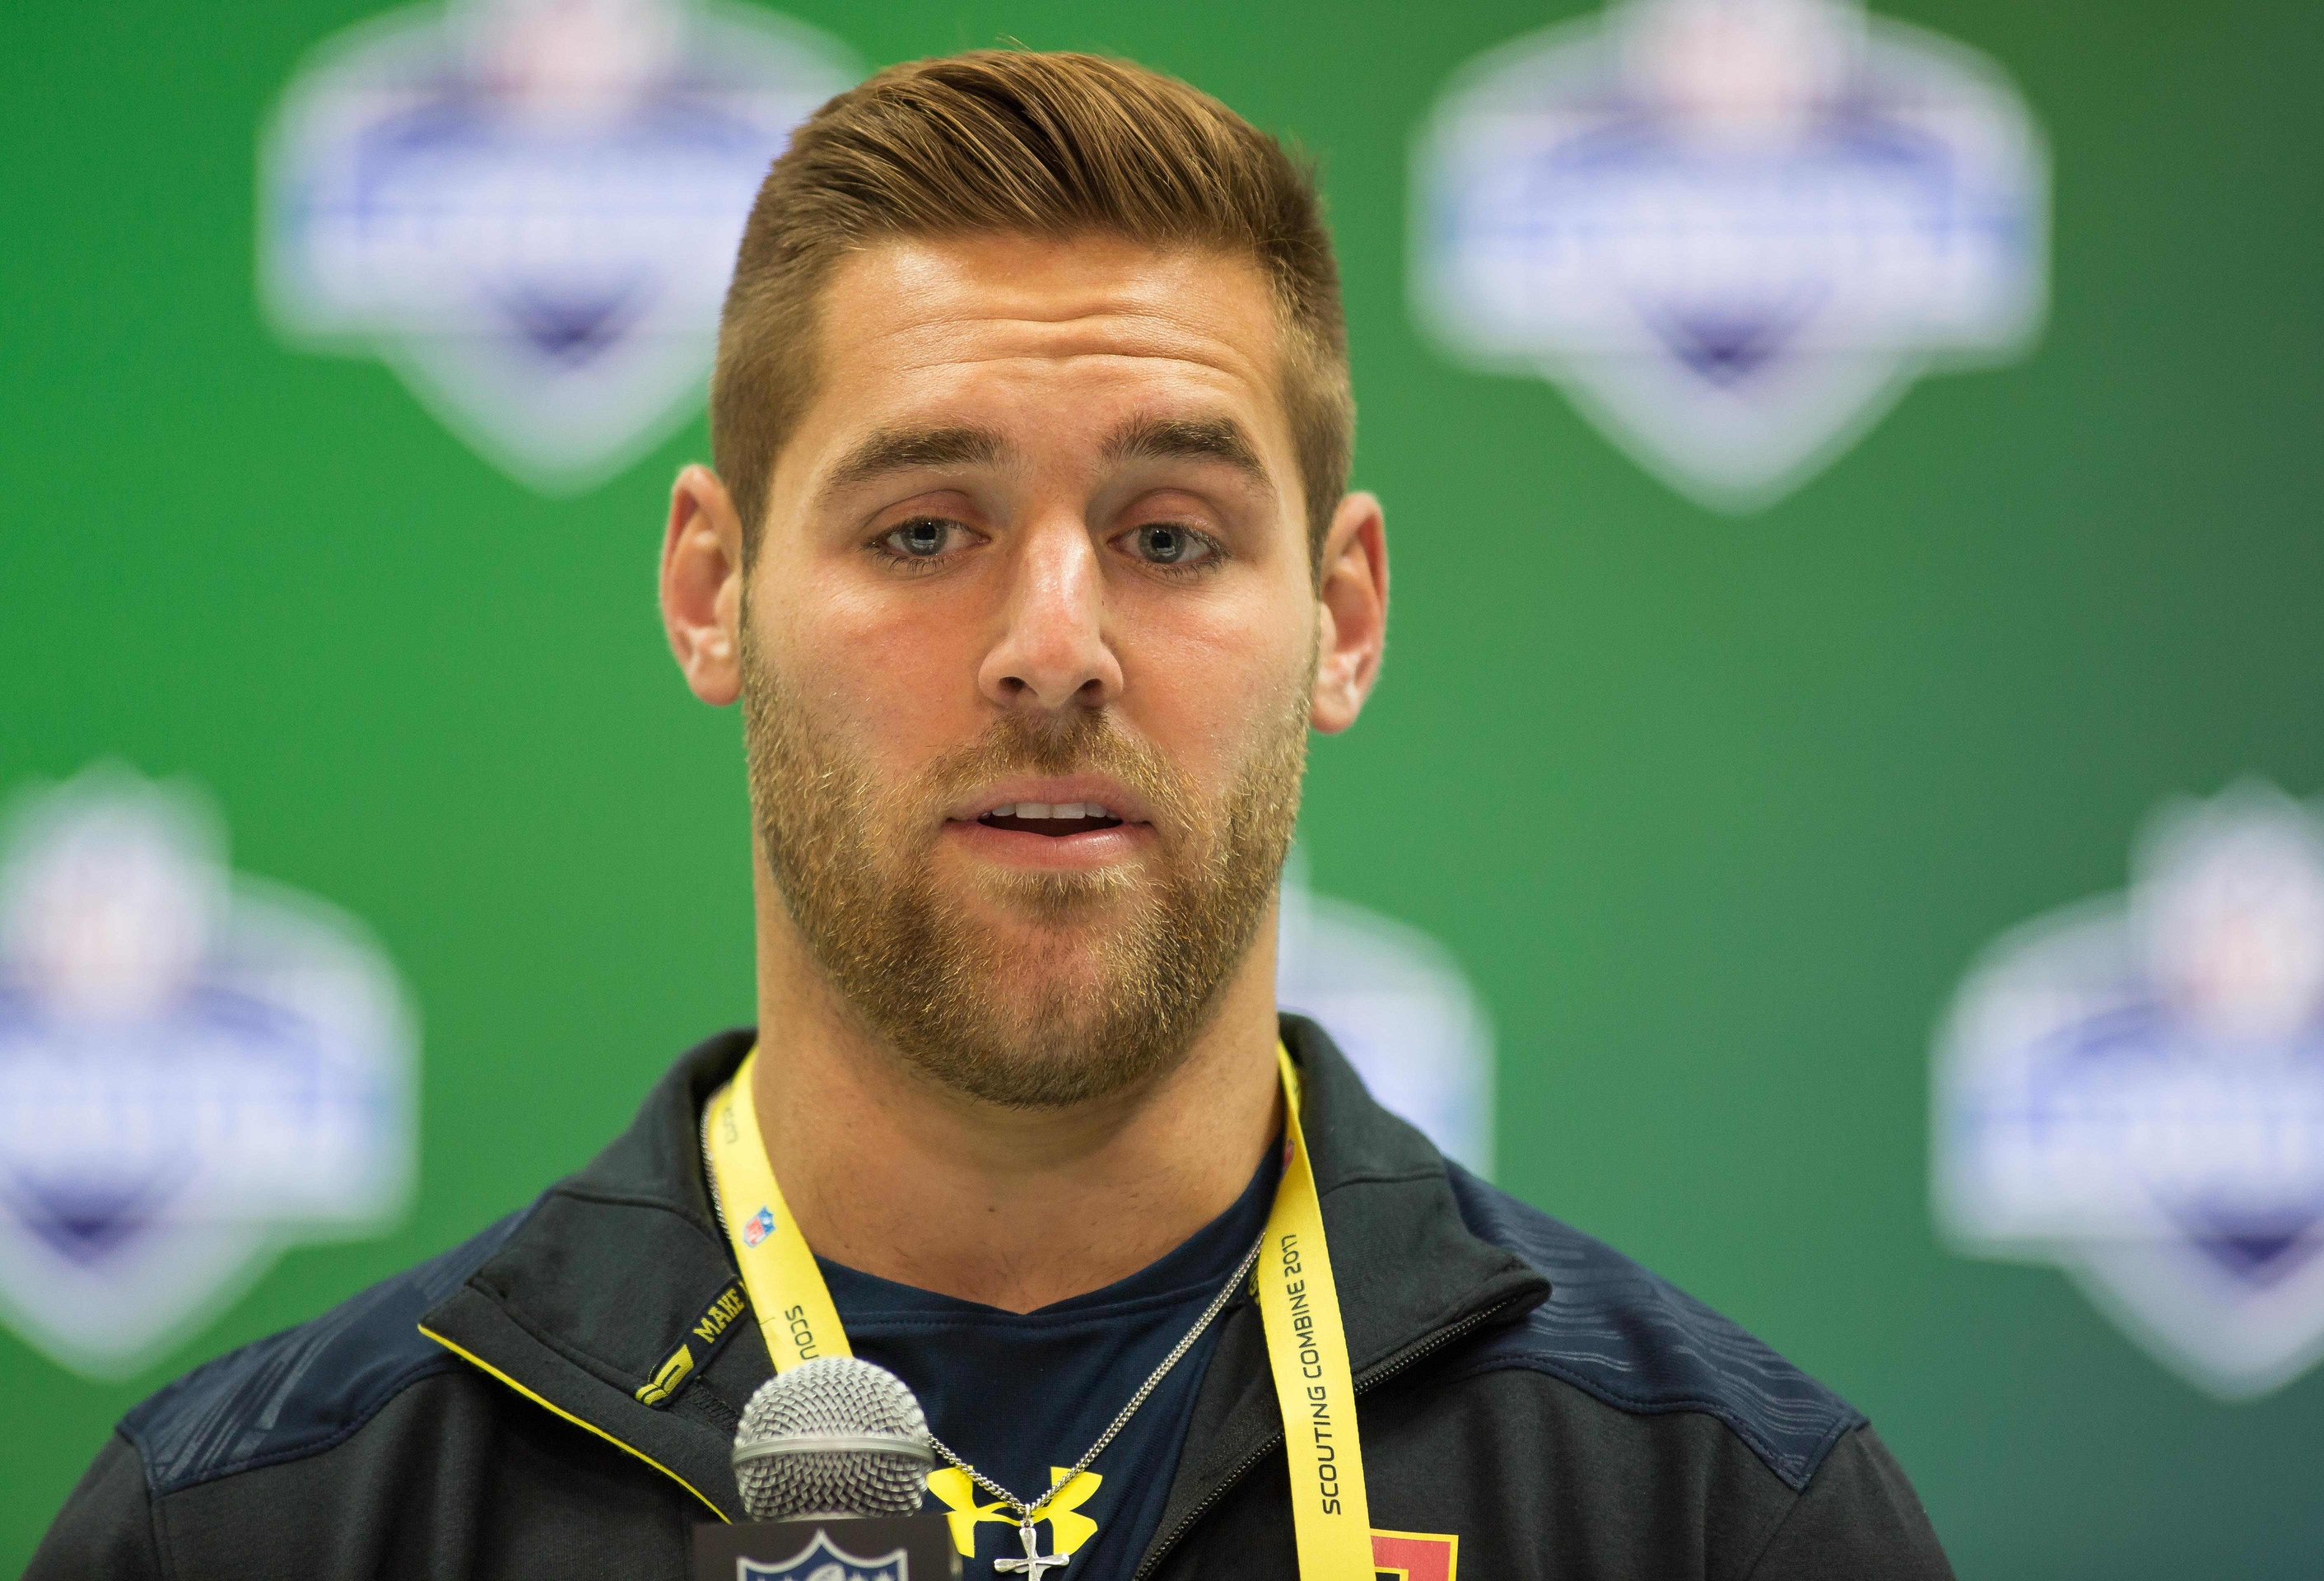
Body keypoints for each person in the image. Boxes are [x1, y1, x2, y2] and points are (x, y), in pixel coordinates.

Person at [30, 49, 1954, 1580]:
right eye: (925, 529)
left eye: (1172, 535)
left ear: (1342, 619)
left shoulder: (1715, 1517)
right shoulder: (261, 1524)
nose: (1055, 647)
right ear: (713, 592)